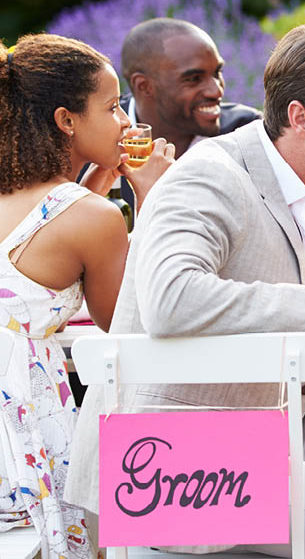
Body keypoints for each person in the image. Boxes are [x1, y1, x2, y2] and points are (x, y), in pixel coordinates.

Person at [65, 23, 305, 558]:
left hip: (274, 432)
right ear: (299, 118)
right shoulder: (212, 175)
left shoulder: (303, 186)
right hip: (176, 465)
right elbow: (169, 299)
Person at [0, 34, 172, 559]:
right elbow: (127, 323)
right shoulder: (91, 219)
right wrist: (155, 200)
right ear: (65, 120)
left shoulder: (68, 208)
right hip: (23, 425)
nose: (125, 121)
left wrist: (91, 187)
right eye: (113, 106)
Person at [114, 17, 261, 211]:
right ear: (144, 86)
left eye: (217, 73)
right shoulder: (102, 139)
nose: (216, 91)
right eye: (194, 79)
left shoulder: (246, 132)